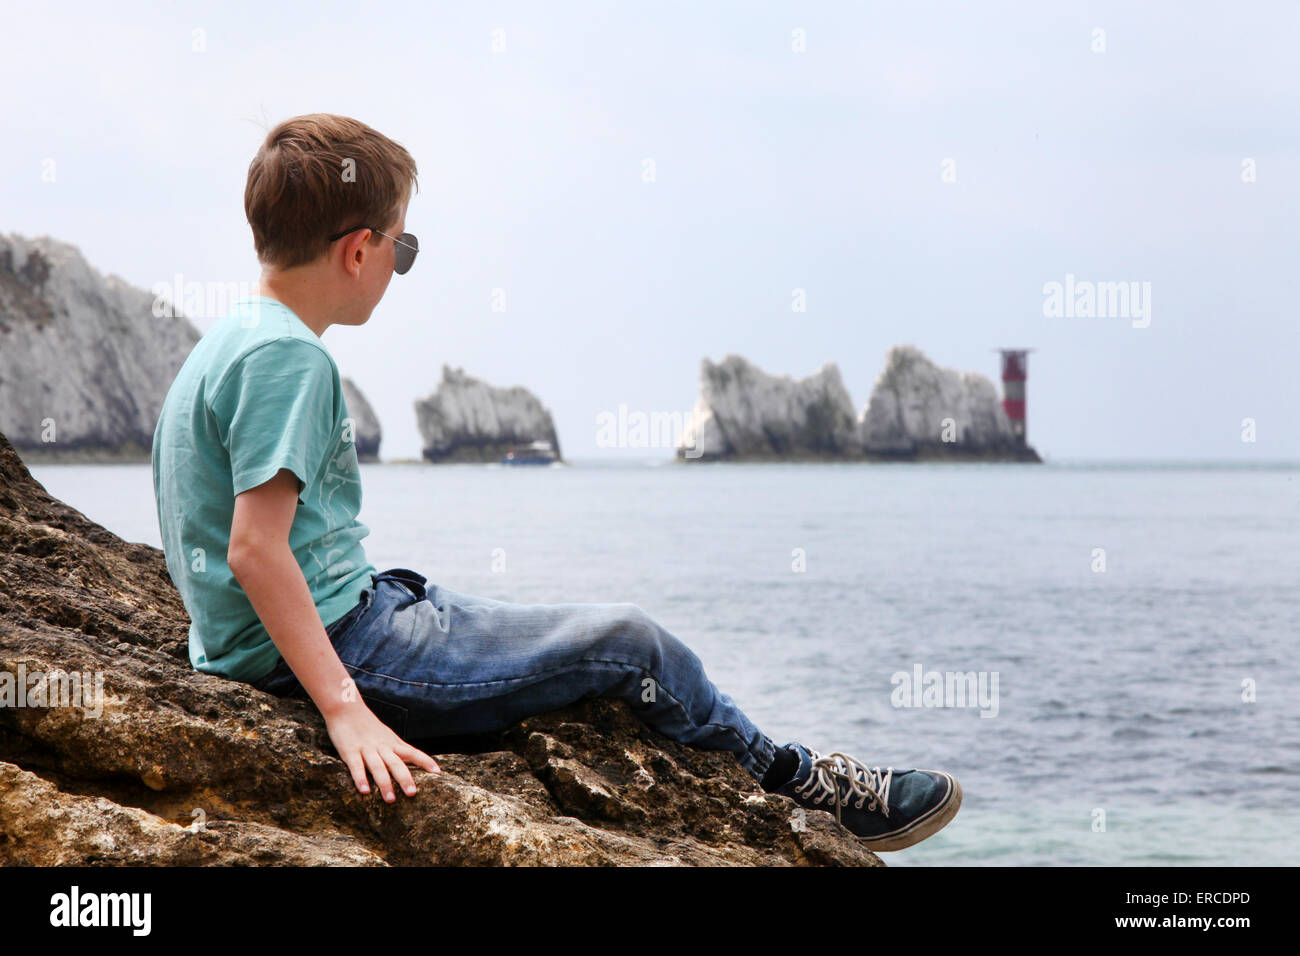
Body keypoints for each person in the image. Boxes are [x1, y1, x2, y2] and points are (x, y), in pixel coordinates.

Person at [151, 114, 961, 852]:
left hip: (351, 612)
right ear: (359, 250)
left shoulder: (229, 341)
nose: (400, 266)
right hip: (340, 648)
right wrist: (342, 707)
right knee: (629, 640)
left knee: (523, 623)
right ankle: (797, 783)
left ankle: (793, 767)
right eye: (404, 247)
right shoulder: (292, 359)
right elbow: (255, 548)